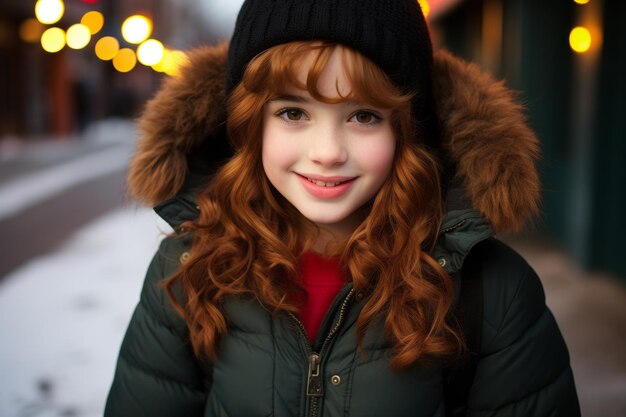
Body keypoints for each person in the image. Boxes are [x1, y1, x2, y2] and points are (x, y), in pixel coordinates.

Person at [104, 0, 580, 416]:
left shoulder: (490, 291)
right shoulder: (189, 270)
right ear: (251, 126)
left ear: (405, 131)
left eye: (363, 116)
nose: (328, 152)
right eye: (293, 112)